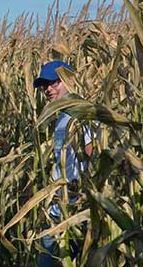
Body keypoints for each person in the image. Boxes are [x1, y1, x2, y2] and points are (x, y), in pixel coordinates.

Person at [33, 60, 93, 267]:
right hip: (59, 207)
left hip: (75, 208)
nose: (48, 89)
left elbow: (91, 155)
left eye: (54, 83)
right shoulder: (63, 115)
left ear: (70, 80)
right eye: (44, 85)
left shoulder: (81, 112)